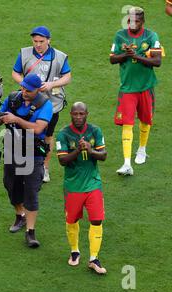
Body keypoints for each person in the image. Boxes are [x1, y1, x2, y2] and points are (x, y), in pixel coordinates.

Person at [0, 73, 53, 247]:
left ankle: (30, 232)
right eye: (23, 88)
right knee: (11, 184)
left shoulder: (45, 105)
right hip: (13, 149)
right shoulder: (12, 98)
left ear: (37, 90)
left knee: (31, 191)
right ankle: (20, 215)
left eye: (29, 90)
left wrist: (15, 119)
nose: (24, 91)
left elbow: (38, 128)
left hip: (34, 153)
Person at [12, 25, 71, 183]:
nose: (37, 44)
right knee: (26, 132)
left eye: (41, 41)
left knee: (47, 136)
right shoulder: (24, 53)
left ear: (48, 40)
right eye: (35, 41)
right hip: (27, 102)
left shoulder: (59, 56)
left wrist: (52, 85)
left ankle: (44, 167)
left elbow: (67, 77)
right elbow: (15, 72)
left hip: (52, 103)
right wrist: (25, 84)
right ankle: (25, 165)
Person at [56, 102, 107, 274]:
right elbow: (62, 161)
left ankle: (94, 258)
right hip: (73, 186)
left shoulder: (95, 131)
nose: (78, 117)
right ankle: (75, 251)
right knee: (72, 220)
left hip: (93, 183)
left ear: (87, 114)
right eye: (75, 114)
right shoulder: (63, 134)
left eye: (81, 114)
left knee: (97, 220)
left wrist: (91, 151)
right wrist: (78, 151)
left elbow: (104, 156)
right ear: (70, 114)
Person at [110, 7, 162, 176]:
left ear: (142, 22)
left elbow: (157, 61)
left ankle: (142, 149)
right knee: (127, 123)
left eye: (136, 21)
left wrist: (135, 56)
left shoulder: (151, 36)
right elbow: (112, 59)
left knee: (145, 120)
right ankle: (126, 163)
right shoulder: (120, 36)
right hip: (127, 88)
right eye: (130, 21)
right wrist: (125, 55)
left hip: (146, 87)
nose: (132, 24)